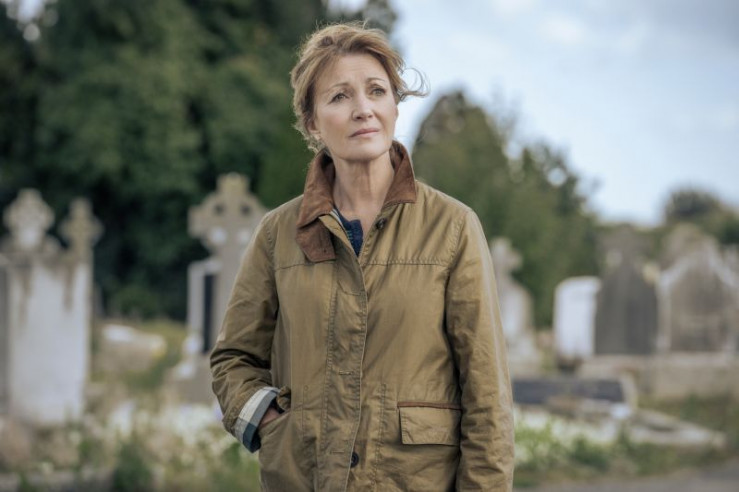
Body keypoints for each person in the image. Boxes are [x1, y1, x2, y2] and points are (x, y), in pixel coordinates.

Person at [211, 22, 514, 491]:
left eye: (376, 91)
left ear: (395, 105)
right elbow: (233, 357)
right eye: (339, 96)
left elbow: (486, 392)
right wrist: (272, 422)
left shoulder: (452, 227)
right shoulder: (278, 234)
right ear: (313, 122)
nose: (363, 109)